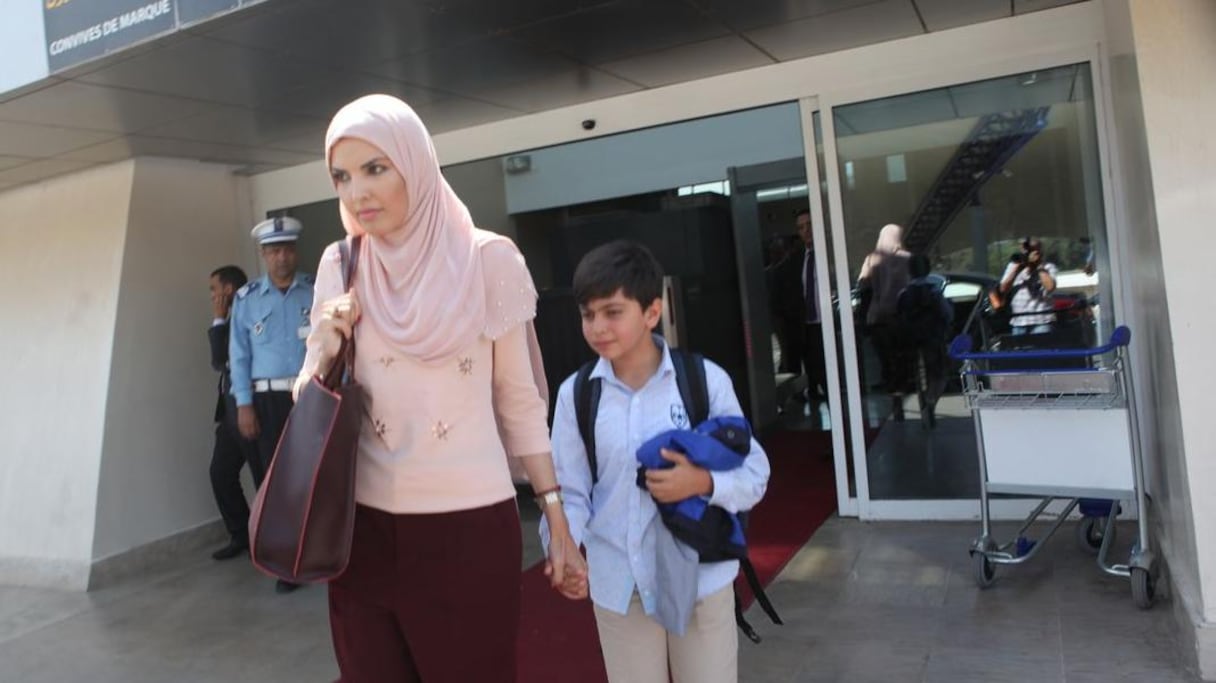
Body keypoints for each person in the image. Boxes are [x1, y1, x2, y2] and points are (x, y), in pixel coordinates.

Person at [300, 94, 585, 683]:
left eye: (376, 168)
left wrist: (556, 515)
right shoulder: (341, 264)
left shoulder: (488, 259)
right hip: (362, 532)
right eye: (342, 177)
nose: (358, 193)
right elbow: (310, 401)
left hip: (468, 531)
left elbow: (519, 400)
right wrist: (324, 349)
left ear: (416, 164)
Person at [543, 240, 771, 683]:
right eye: (588, 315)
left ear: (651, 312)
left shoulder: (702, 381)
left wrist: (702, 482)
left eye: (613, 312)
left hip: (700, 578)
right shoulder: (577, 394)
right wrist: (564, 545)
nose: (597, 327)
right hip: (619, 582)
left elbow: (755, 472)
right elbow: (571, 490)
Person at [228, 216, 313, 593]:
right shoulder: (246, 301)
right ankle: (285, 562)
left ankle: (317, 551)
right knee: (272, 482)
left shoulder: (315, 292)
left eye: (288, 249)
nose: (282, 257)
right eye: (274, 250)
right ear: (263, 255)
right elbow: (239, 356)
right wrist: (243, 404)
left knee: (312, 478)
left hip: (309, 396)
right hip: (265, 401)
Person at [206, 265, 257, 561]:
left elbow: (219, 359)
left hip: (249, 406)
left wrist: (217, 318)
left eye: (214, 289)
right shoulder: (229, 317)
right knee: (221, 473)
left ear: (227, 290)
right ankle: (241, 535)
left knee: (265, 476)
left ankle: (276, 541)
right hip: (229, 410)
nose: (212, 295)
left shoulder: (247, 312)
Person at [769, 209, 827, 403]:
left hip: (828, 322)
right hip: (806, 325)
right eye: (801, 227)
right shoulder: (796, 260)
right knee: (813, 368)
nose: (806, 231)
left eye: (809, 225)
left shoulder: (831, 255)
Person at [857, 223, 912, 419]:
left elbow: (862, 284)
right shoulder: (907, 259)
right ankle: (901, 393)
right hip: (902, 318)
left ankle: (893, 396)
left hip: (878, 320)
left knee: (886, 360)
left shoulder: (872, 259)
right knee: (902, 359)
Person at [896, 255, 952, 429]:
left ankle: (923, 407)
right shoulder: (935, 291)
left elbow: (899, 317)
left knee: (918, 378)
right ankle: (931, 402)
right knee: (939, 375)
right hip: (933, 340)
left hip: (912, 342)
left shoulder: (904, 294)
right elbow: (948, 314)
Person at [999, 237, 1058, 335]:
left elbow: (1050, 287)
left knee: (1040, 349)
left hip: (1041, 321)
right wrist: (1018, 268)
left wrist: (1038, 266)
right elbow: (1003, 289)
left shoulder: (1048, 267)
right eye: (1025, 250)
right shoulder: (1013, 266)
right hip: (1019, 321)